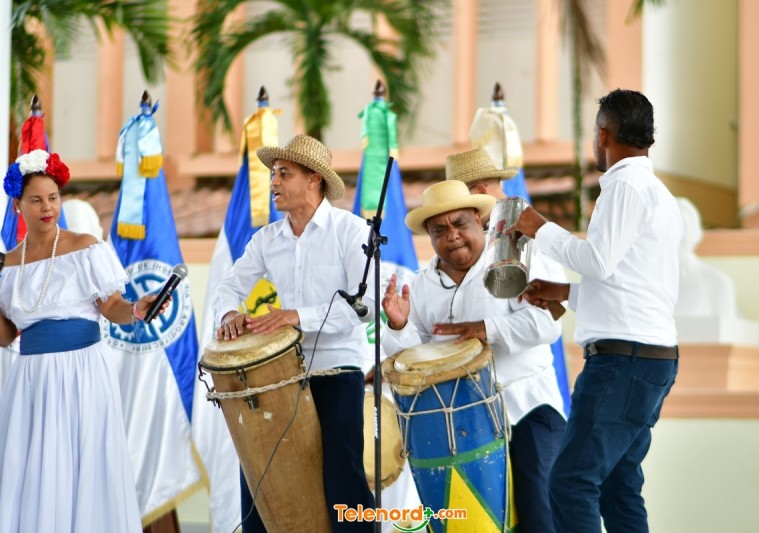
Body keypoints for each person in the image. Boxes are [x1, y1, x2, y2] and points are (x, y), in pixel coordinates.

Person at [506, 89, 682, 533]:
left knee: (570, 482)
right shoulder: (658, 193)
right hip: (649, 359)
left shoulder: (624, 185)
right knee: (618, 487)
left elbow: (598, 261)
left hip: (623, 361)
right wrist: (566, 291)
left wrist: (540, 228)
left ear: (602, 134)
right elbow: (634, 287)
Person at [381, 178, 566, 533]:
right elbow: (413, 357)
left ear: (479, 221)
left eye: (459, 224)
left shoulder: (515, 259)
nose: (452, 235)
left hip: (527, 410)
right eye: (439, 230)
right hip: (461, 425)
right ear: (430, 236)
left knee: (540, 517)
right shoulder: (419, 286)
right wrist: (398, 324)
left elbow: (547, 325)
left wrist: (485, 329)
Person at [0, 149, 169, 533]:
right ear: (18, 206)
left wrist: (137, 308)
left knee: (86, 464)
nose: (47, 207)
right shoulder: (7, 264)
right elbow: (7, 335)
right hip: (31, 379)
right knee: (36, 470)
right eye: (36, 200)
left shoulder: (85, 247)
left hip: (84, 373)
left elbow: (112, 307)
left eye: (53, 197)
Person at [213, 134, 376, 532]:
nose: (273, 183)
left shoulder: (351, 230)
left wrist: (296, 317)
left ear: (314, 179)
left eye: (284, 174)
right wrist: (230, 313)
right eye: (273, 174)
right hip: (280, 374)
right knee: (262, 473)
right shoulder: (267, 239)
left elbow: (365, 305)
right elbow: (228, 286)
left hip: (338, 371)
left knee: (342, 476)